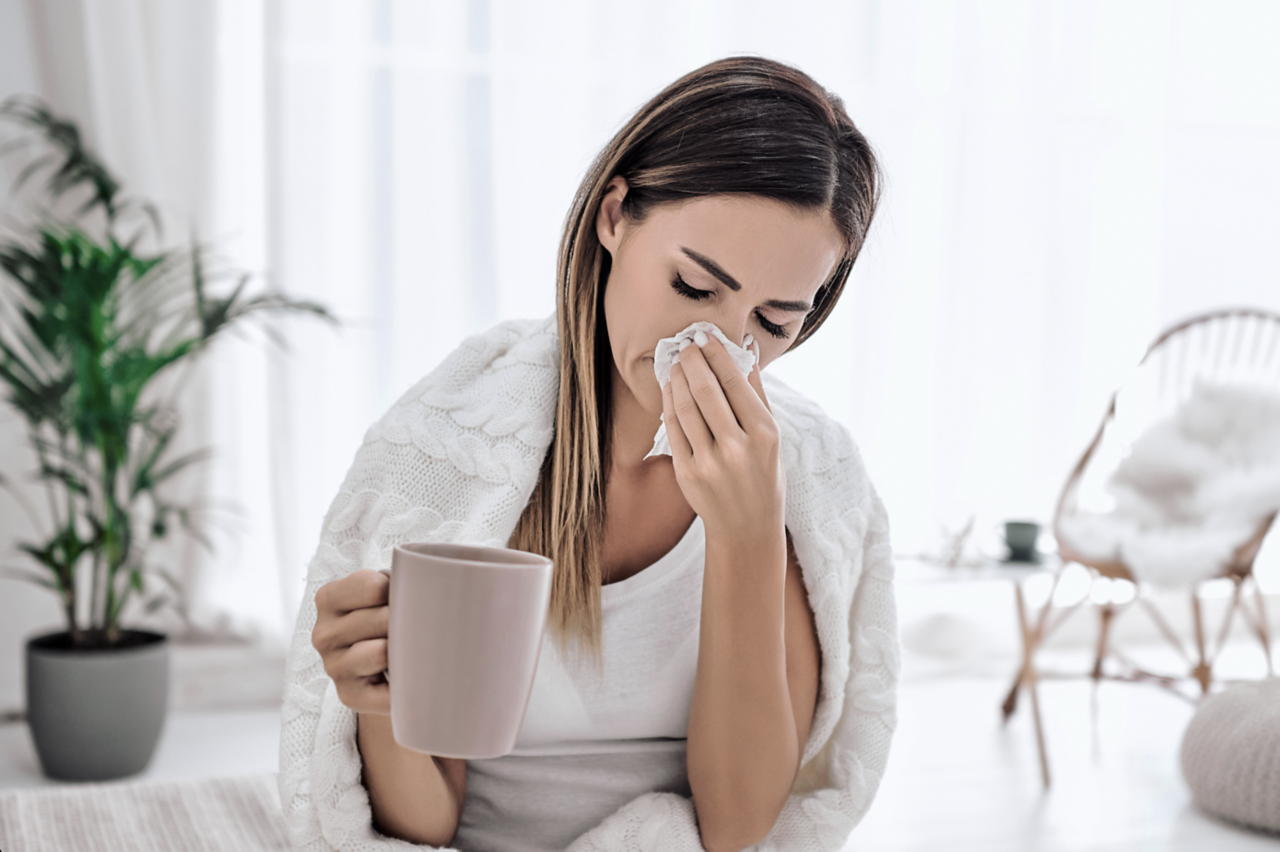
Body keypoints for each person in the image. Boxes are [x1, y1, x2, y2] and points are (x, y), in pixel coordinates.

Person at [280, 56, 899, 852]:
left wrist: (747, 534)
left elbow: (740, 827)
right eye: (692, 287)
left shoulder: (808, 480)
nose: (718, 347)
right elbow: (424, 822)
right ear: (615, 215)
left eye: (773, 324)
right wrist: (374, 702)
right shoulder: (459, 446)